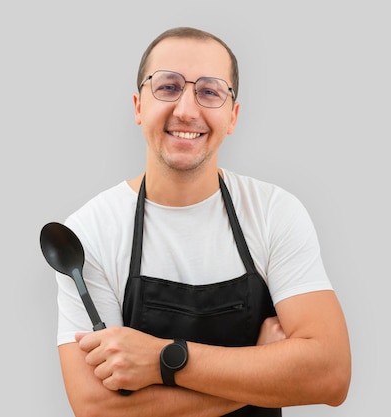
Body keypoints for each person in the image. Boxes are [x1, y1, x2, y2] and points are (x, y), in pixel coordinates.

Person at [55, 26, 351, 417]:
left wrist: (164, 357)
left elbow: (330, 374)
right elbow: (98, 408)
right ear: (138, 106)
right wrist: (263, 369)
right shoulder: (88, 233)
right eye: (168, 87)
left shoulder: (273, 212)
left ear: (232, 116)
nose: (187, 110)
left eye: (209, 91)